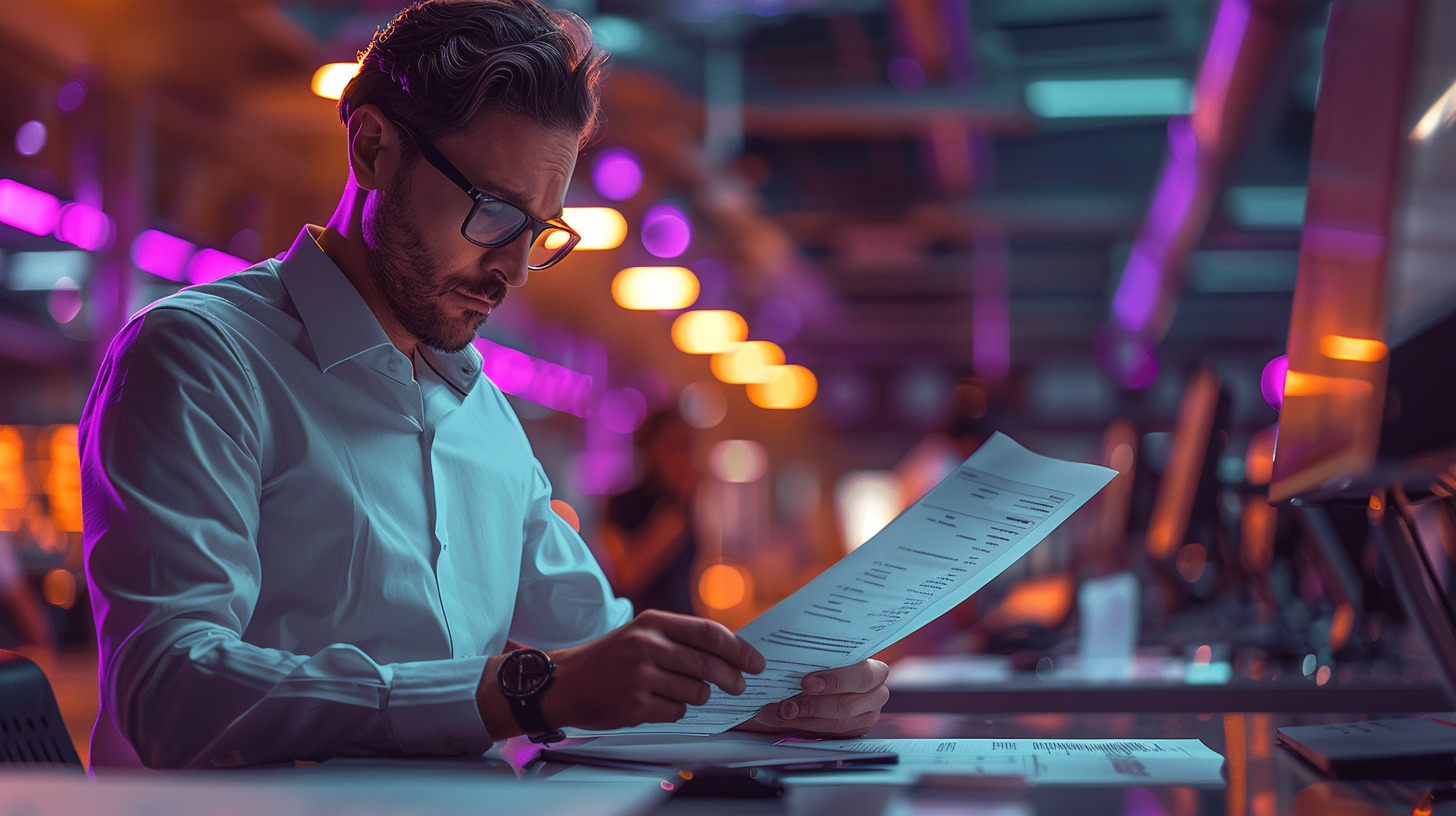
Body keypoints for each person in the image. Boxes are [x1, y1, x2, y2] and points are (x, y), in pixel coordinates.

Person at [80, 0, 887, 770]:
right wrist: (518, 694)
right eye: (494, 211)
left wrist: (779, 698)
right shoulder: (200, 358)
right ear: (372, 149)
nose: (512, 268)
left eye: (539, 232)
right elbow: (167, 687)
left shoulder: (482, 413)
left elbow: (604, 644)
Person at [601, 409, 701, 615]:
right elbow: (627, 576)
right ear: (651, 447)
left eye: (687, 446)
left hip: (684, 623)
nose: (682, 456)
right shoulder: (625, 503)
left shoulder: (685, 503)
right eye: (673, 446)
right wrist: (674, 515)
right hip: (643, 627)